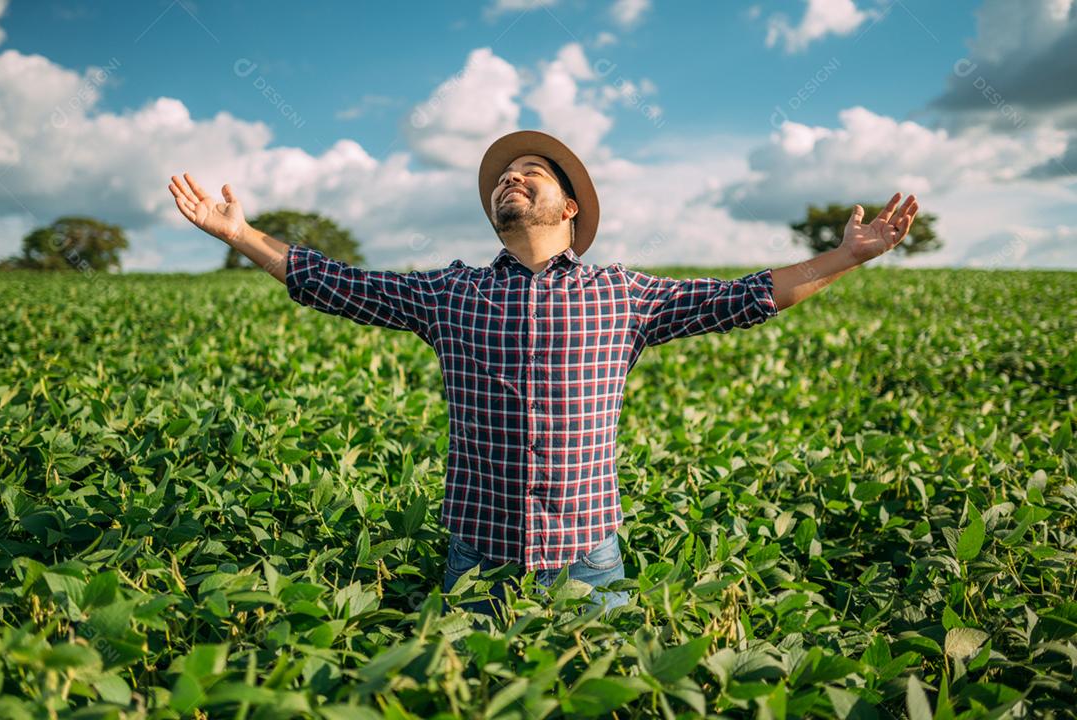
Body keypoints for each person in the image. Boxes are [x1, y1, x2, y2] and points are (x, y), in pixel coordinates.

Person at [168, 129, 918, 621]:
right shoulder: (451, 292)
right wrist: (241, 235)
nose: (510, 181)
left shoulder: (624, 295)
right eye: (502, 180)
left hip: (589, 560)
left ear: (570, 205)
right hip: (476, 562)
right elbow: (336, 283)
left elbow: (748, 297)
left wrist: (849, 255)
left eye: (529, 174)